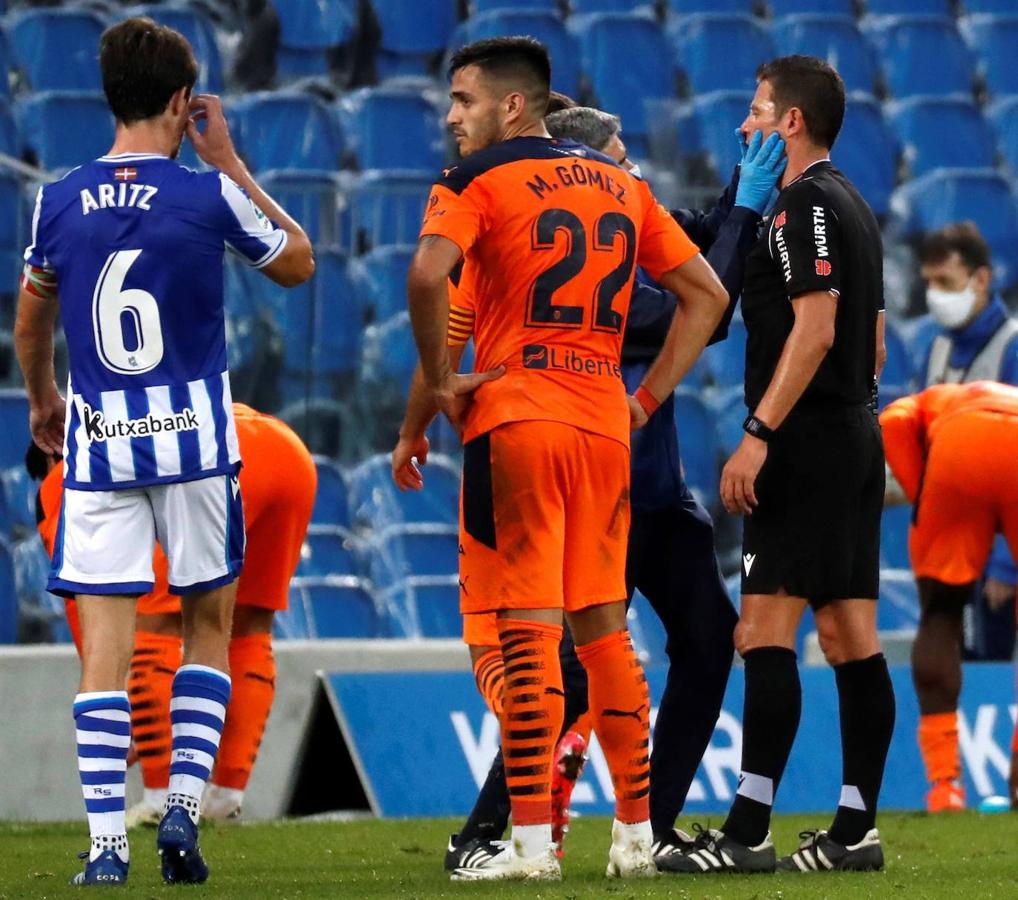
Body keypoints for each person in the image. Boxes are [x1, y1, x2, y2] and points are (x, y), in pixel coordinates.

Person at [427, 104, 785, 876]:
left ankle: (644, 826)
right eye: (621, 160)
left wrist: (742, 184)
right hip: (597, 470)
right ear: (583, 167)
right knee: (576, 657)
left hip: (646, 485)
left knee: (696, 640)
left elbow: (702, 233)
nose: (635, 174)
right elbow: (703, 303)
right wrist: (746, 208)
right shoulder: (593, 254)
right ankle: (497, 829)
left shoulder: (617, 211)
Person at [13, 17, 313, 886]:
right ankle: (183, 806)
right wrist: (229, 163)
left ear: (108, 96)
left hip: (101, 448)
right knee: (207, 629)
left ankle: (107, 845)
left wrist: (44, 399)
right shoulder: (204, 195)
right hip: (196, 447)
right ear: (185, 104)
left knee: (104, 651)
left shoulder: (57, 199)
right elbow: (298, 261)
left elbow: (32, 318)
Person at [655, 55, 894, 875]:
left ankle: (746, 832)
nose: (745, 125)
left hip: (805, 443)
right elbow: (876, 340)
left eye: (758, 111)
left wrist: (760, 431)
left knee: (762, 631)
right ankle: (855, 831)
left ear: (791, 121)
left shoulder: (799, 208)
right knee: (849, 633)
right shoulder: (855, 205)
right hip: (853, 436)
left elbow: (818, 331)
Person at [31, 403, 316, 825]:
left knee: (154, 628)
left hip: (218, 455)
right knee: (249, 626)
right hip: (287, 452)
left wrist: (113, 695)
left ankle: (163, 795)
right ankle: (225, 796)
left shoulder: (60, 481)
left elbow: (89, 612)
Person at [909, 223, 1018, 812]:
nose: (934, 295)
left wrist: (1004, 561)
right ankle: (945, 783)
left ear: (981, 279)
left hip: (1005, 532)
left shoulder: (1013, 345)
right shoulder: (937, 347)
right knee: (941, 622)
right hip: (954, 518)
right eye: (926, 283)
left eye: (944, 281)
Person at [878, 382, 1018, 809]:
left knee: (940, 617)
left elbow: (891, 421)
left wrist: (924, 493)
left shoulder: (927, 402)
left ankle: (945, 787)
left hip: (958, 447)